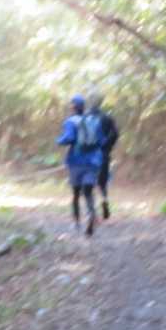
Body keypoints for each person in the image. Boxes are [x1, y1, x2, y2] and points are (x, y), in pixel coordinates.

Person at [57, 93, 104, 236]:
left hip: (76, 162)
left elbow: (69, 138)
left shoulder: (70, 121)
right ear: (84, 107)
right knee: (88, 191)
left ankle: (77, 222)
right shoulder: (94, 121)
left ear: (73, 107)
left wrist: (59, 141)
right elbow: (102, 141)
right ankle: (91, 214)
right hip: (93, 162)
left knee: (76, 193)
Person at [86, 90, 121, 220]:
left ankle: (91, 212)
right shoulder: (107, 117)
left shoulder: (84, 117)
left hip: (87, 156)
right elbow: (115, 134)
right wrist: (107, 147)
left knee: (88, 183)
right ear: (101, 102)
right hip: (103, 155)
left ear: (89, 102)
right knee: (102, 182)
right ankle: (104, 200)